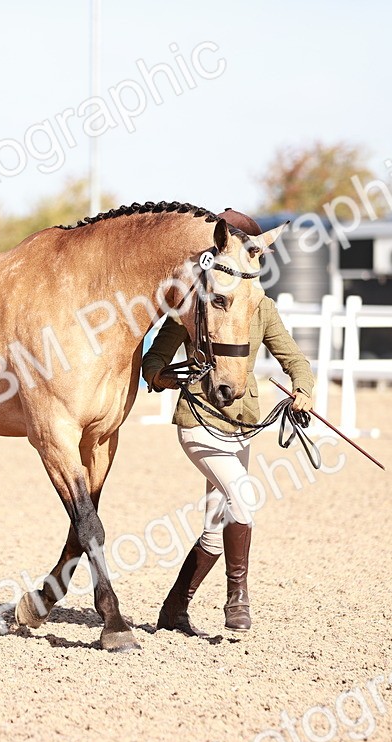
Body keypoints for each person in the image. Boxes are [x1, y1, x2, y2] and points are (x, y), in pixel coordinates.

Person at [141, 209, 315, 637]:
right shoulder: (195, 304)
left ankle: (174, 609)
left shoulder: (261, 307)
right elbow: (153, 361)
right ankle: (238, 597)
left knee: (215, 528)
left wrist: (304, 389)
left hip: (242, 423)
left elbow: (294, 359)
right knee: (245, 498)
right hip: (199, 421)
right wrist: (161, 376)